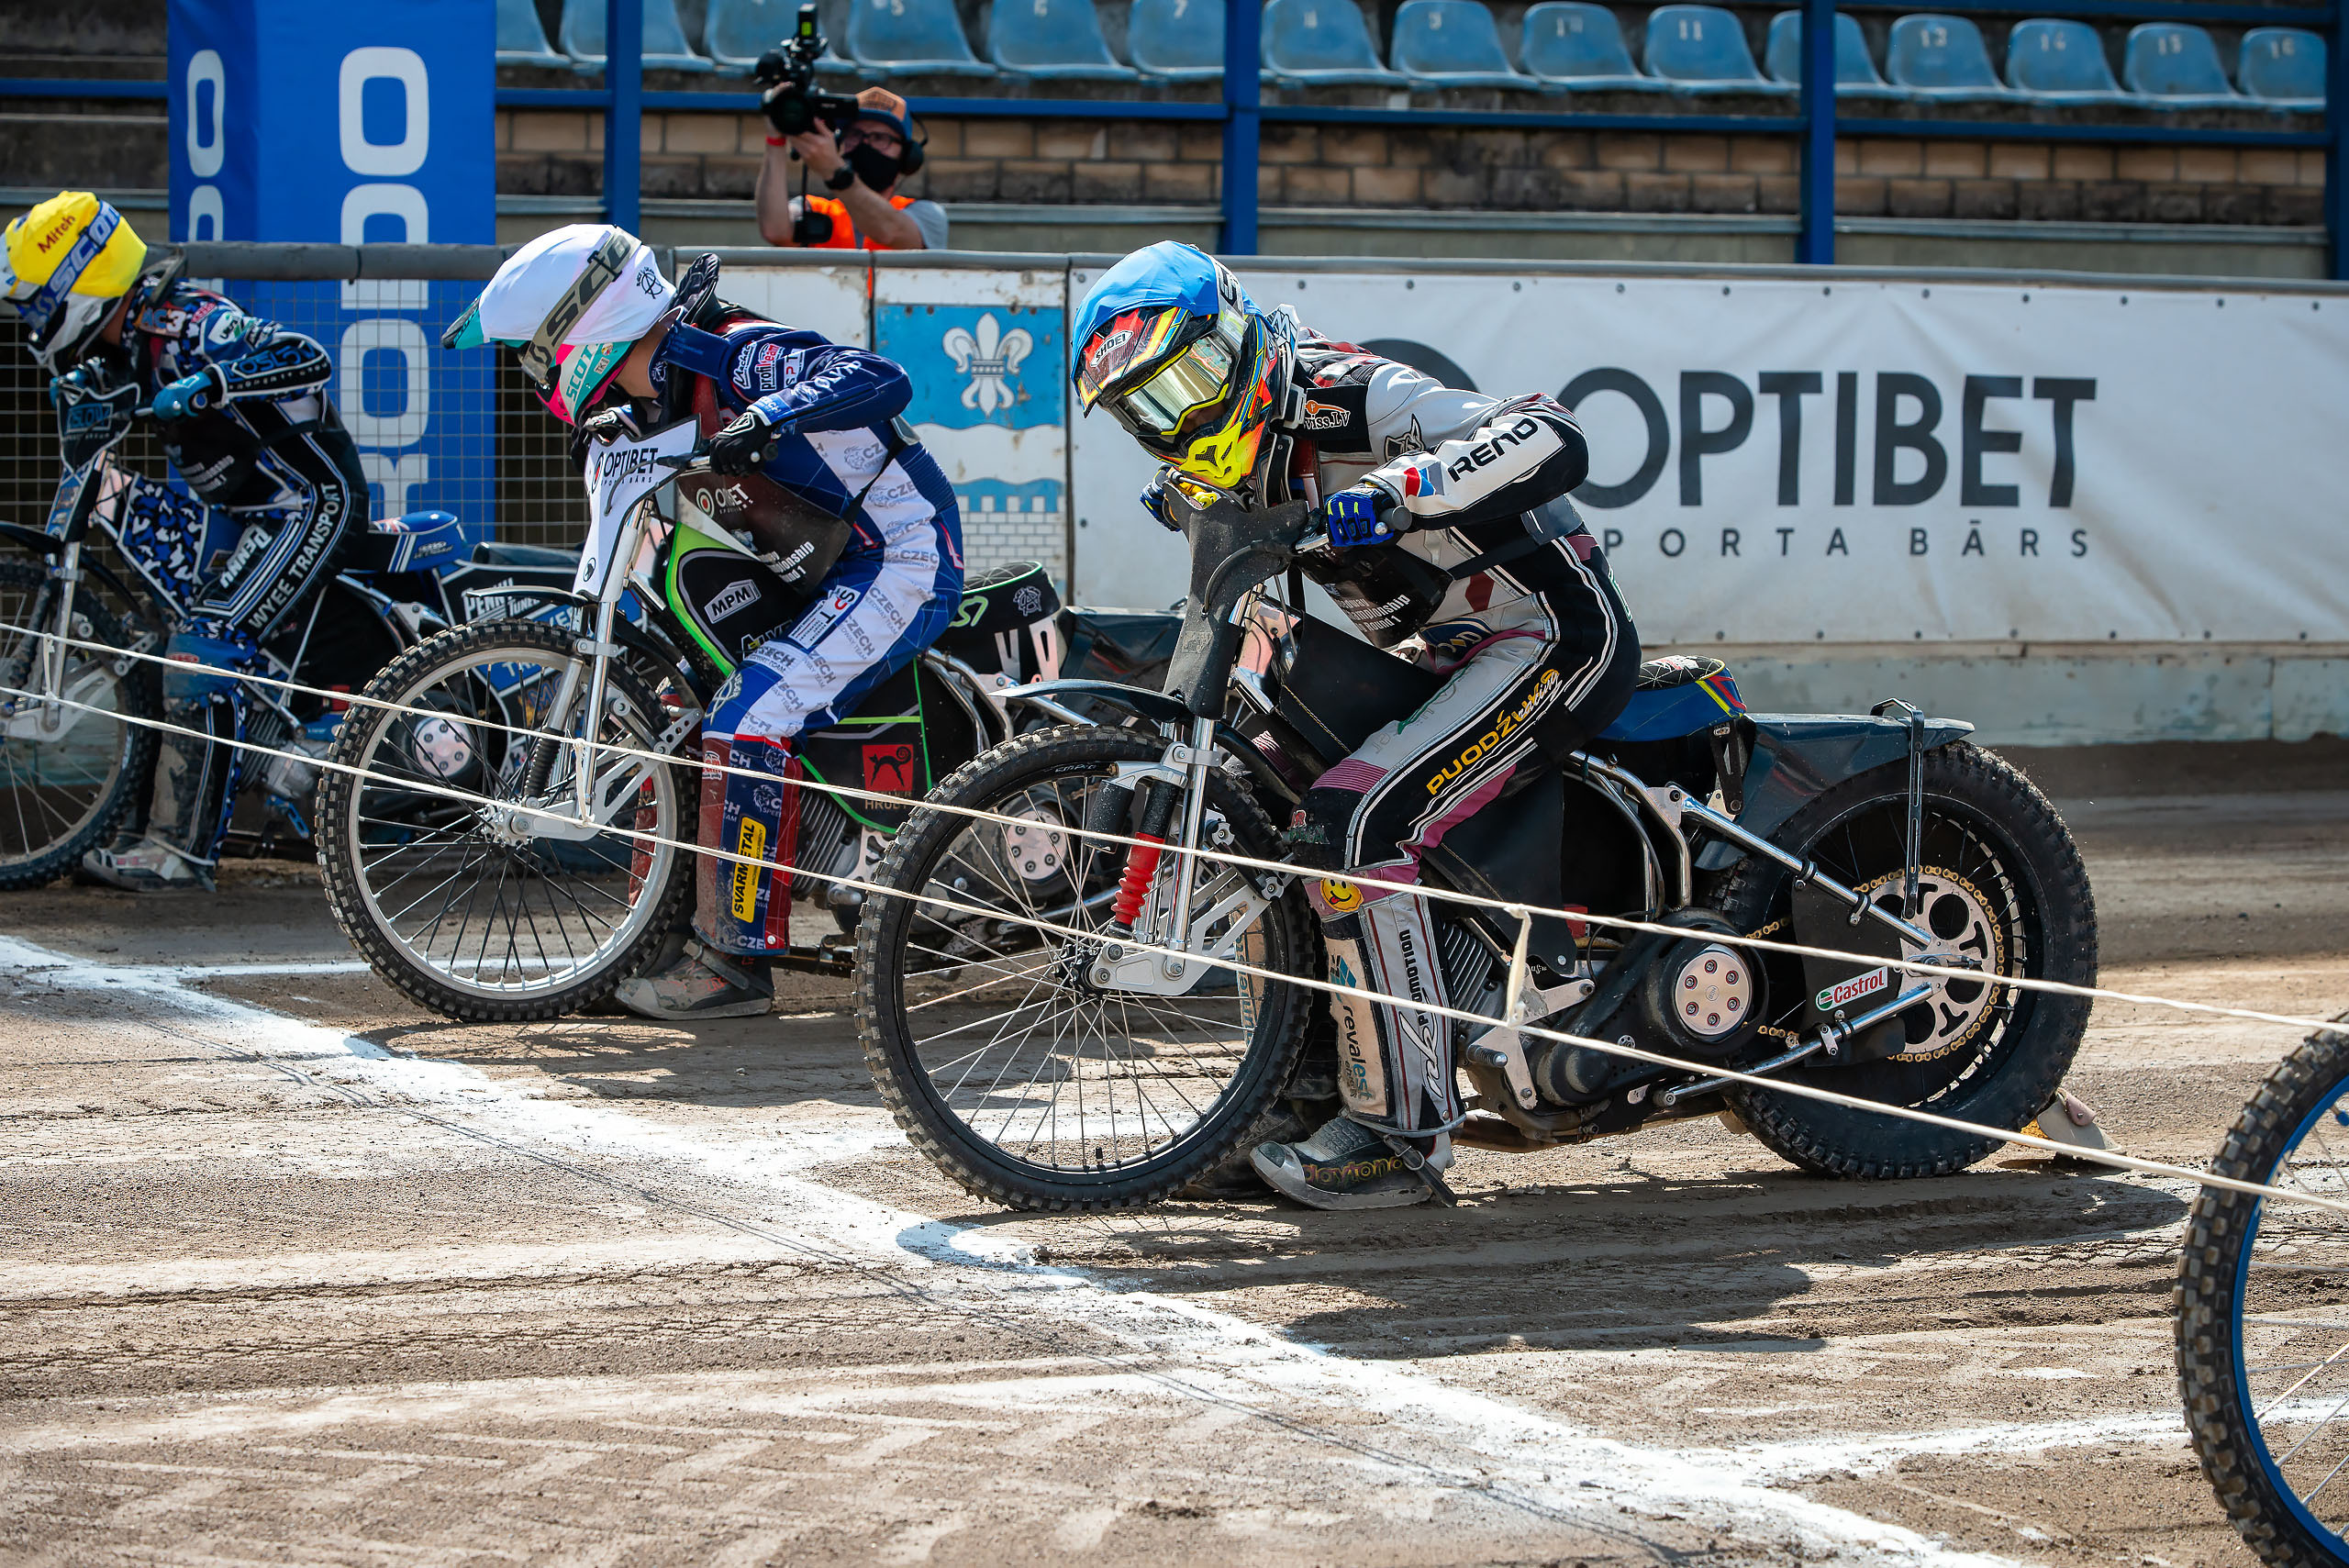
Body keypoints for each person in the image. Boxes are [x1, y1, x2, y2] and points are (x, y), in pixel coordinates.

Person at [1070, 241, 1641, 1212]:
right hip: (1434, 661)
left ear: (1239, 338)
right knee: (1262, 813)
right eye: (1152, 408)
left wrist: (1400, 490)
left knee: (1354, 821)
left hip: (1548, 635)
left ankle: (1398, 1132)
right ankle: (1285, 1103)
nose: (1184, 418)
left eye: (1194, 380)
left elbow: (1547, 431)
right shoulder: (1230, 465)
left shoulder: (1354, 396)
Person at [443, 224, 963, 1018]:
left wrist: (772, 413)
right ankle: (646, 946)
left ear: (579, 331)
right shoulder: (644, 397)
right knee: (678, 718)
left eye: (533, 352)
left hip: (898, 554)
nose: (532, 373)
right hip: (810, 567)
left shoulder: (730, 351)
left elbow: (879, 376)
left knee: (748, 719)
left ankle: (735, 963)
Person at [0, 191, 365, 890]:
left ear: (78, 284)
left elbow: (307, 357)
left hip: (306, 504)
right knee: (153, 637)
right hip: (245, 515)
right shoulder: (120, 345)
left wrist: (214, 381)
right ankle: (133, 830)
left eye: (37, 305)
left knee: (205, 643)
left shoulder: (189, 322)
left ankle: (180, 854)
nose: (33, 324)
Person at [754, 87, 948, 253]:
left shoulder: (926, 214)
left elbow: (889, 232)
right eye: (855, 134)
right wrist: (775, 139)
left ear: (907, 157)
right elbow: (775, 230)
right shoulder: (817, 210)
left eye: (879, 138)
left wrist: (834, 171)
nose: (865, 144)